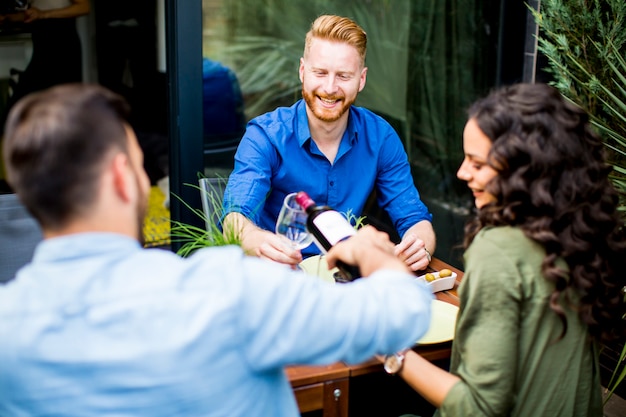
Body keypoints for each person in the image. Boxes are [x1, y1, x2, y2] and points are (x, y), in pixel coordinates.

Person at [0, 84, 433, 416]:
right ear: (120, 176)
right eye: (139, 164)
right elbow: (401, 316)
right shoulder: (226, 290)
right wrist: (375, 255)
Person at [384, 83, 626, 416]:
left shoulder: (498, 249)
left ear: (525, 169)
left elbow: (477, 408)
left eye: (477, 163)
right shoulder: (578, 232)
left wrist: (392, 351)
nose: (461, 172)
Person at [222, 14, 435, 271]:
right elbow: (236, 217)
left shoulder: (381, 137)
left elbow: (415, 220)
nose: (330, 88)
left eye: (343, 76)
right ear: (303, 71)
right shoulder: (265, 135)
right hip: (279, 277)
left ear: (362, 79)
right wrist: (253, 239)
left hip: (347, 280)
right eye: (320, 72)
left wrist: (419, 246)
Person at [1, 0, 89, 118]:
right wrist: (9, 18)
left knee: (63, 102)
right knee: (25, 105)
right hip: (42, 41)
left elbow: (84, 7)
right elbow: (36, 12)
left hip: (61, 43)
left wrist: (43, 14)